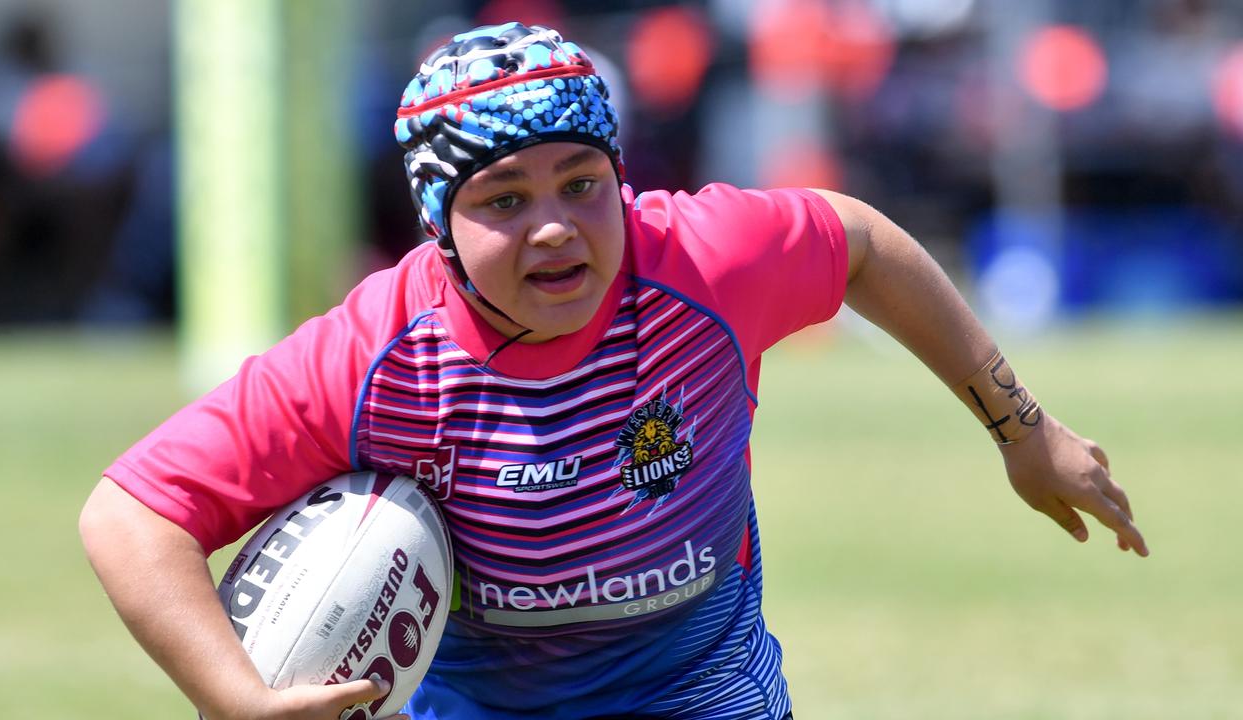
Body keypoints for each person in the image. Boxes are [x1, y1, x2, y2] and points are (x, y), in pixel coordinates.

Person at [79, 22, 1148, 720]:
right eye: (502, 199)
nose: (553, 229)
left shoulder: (702, 262)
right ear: (436, 228)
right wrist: (233, 699)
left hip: (704, 690)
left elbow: (857, 242)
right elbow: (133, 512)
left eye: (580, 184)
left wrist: (1021, 429)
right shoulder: (373, 355)